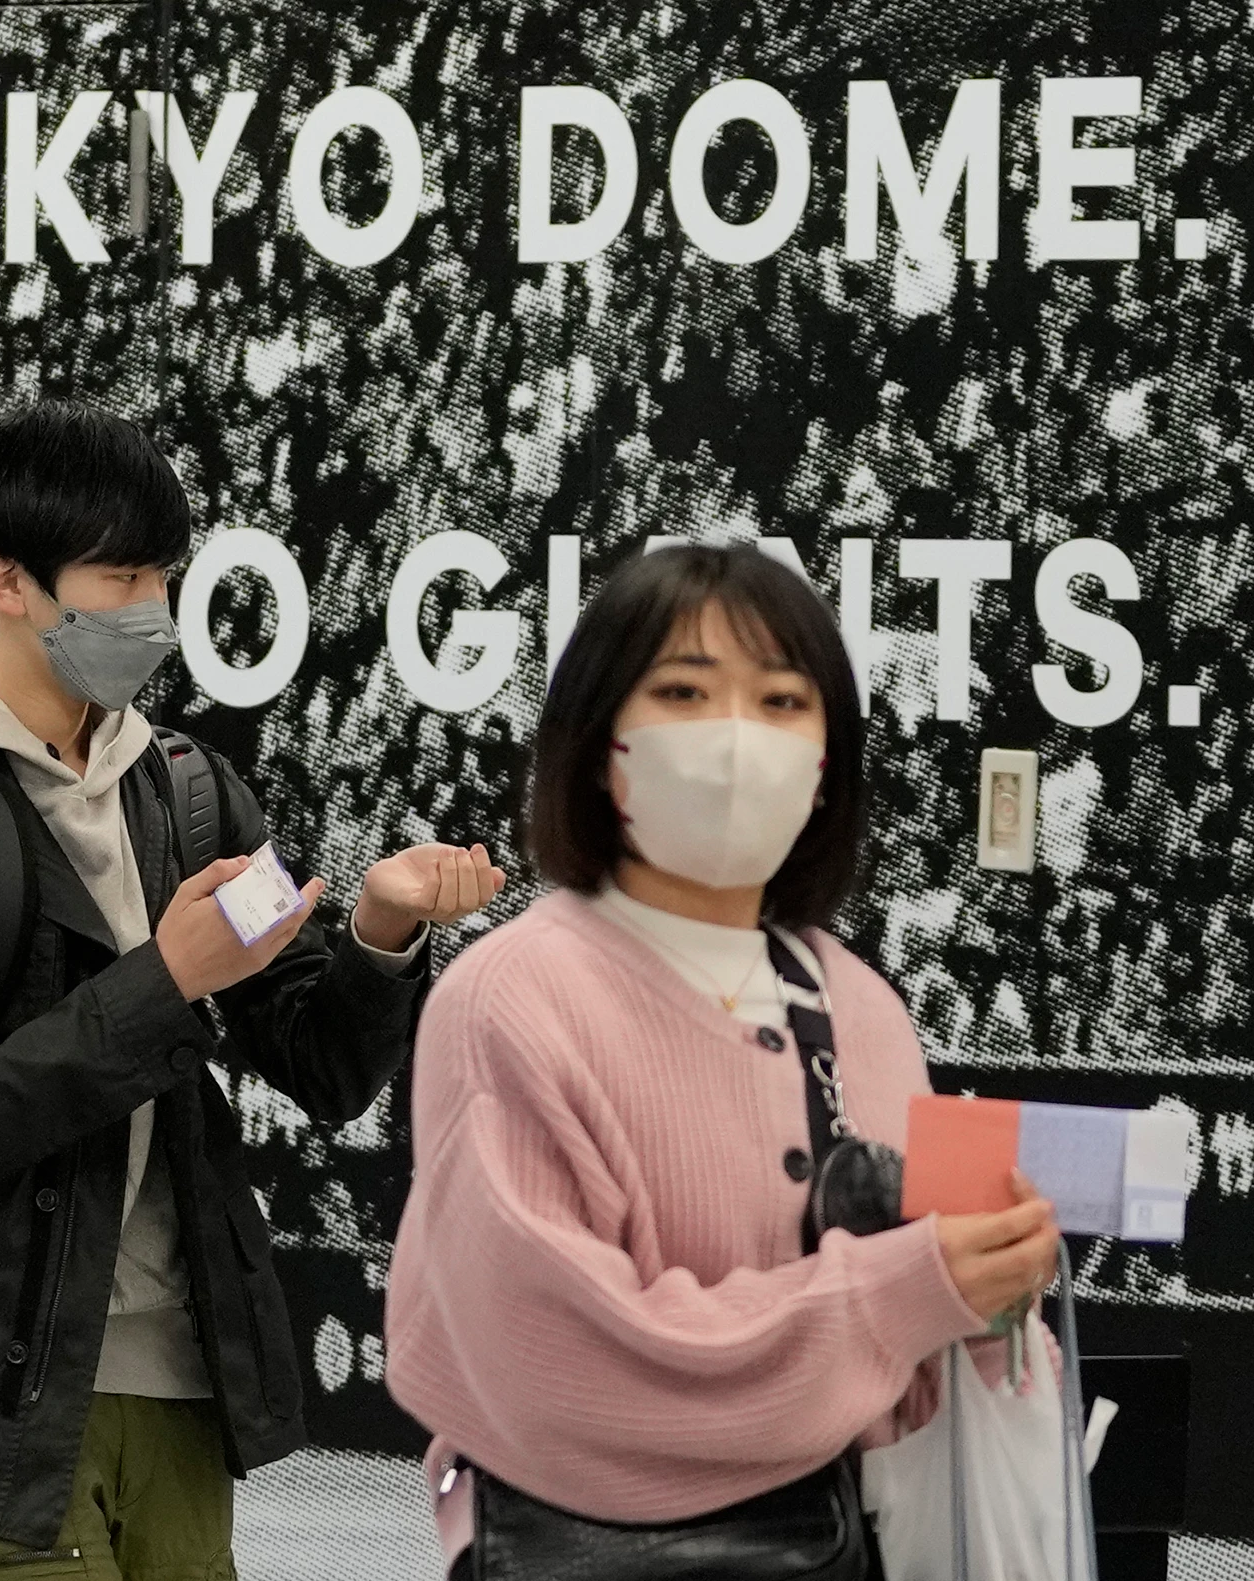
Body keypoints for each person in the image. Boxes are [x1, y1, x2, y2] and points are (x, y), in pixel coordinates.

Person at [0, 400, 505, 1581]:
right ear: (7, 581)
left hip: (182, 1383)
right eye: (121, 576)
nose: (153, 612)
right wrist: (165, 979)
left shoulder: (185, 791)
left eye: (162, 575)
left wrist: (379, 931)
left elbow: (319, 1066)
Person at [383, 541, 1062, 1577]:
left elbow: (915, 1370)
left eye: (784, 701)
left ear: (831, 757)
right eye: (684, 691)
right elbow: (559, 1368)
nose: (739, 738)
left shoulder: (862, 1008)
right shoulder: (513, 1000)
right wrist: (899, 1293)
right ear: (598, 739)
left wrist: (988, 1299)